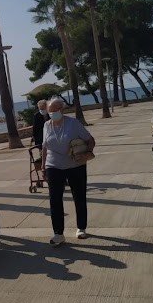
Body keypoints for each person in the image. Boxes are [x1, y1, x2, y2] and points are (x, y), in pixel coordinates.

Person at [41, 97, 95, 245]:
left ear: (62, 109)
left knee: (79, 197)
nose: (52, 113)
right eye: (50, 111)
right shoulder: (46, 125)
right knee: (54, 200)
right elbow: (44, 147)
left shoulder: (73, 123)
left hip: (75, 166)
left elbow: (90, 140)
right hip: (53, 166)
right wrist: (43, 167)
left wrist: (87, 153)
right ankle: (58, 233)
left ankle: (81, 228)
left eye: (55, 110)